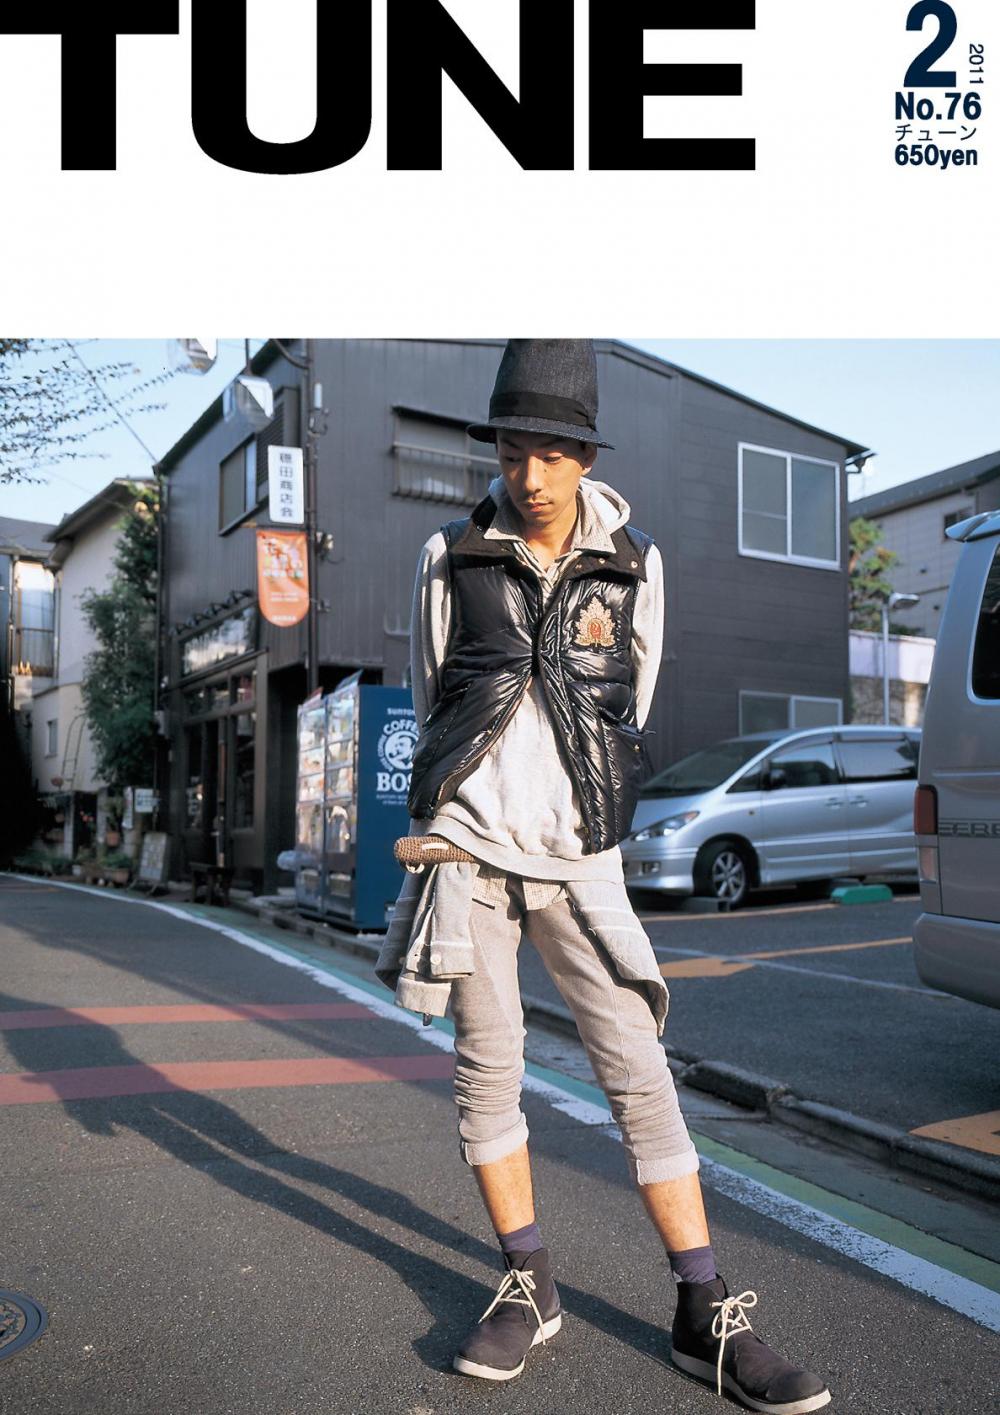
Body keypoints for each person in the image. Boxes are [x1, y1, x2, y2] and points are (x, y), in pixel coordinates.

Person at [376, 340, 831, 1413]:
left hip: (580, 855)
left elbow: (630, 703)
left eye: (549, 453)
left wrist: (576, 803)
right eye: (509, 451)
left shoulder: (637, 564)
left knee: (638, 1070)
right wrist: (457, 813)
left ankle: (703, 1306)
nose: (527, 476)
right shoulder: (448, 554)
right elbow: (433, 693)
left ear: (584, 456)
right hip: (471, 852)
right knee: (486, 1069)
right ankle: (528, 1281)